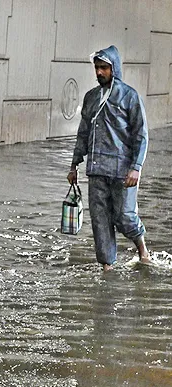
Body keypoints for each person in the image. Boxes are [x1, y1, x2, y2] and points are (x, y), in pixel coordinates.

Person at [67, 45, 150, 271]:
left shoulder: (129, 97)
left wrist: (137, 167)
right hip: (96, 169)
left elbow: (141, 134)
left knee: (125, 216)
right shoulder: (91, 98)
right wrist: (74, 164)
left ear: (114, 68)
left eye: (104, 68)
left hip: (123, 171)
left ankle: (142, 249)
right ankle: (107, 267)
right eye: (97, 68)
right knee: (100, 221)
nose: (99, 72)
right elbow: (83, 132)